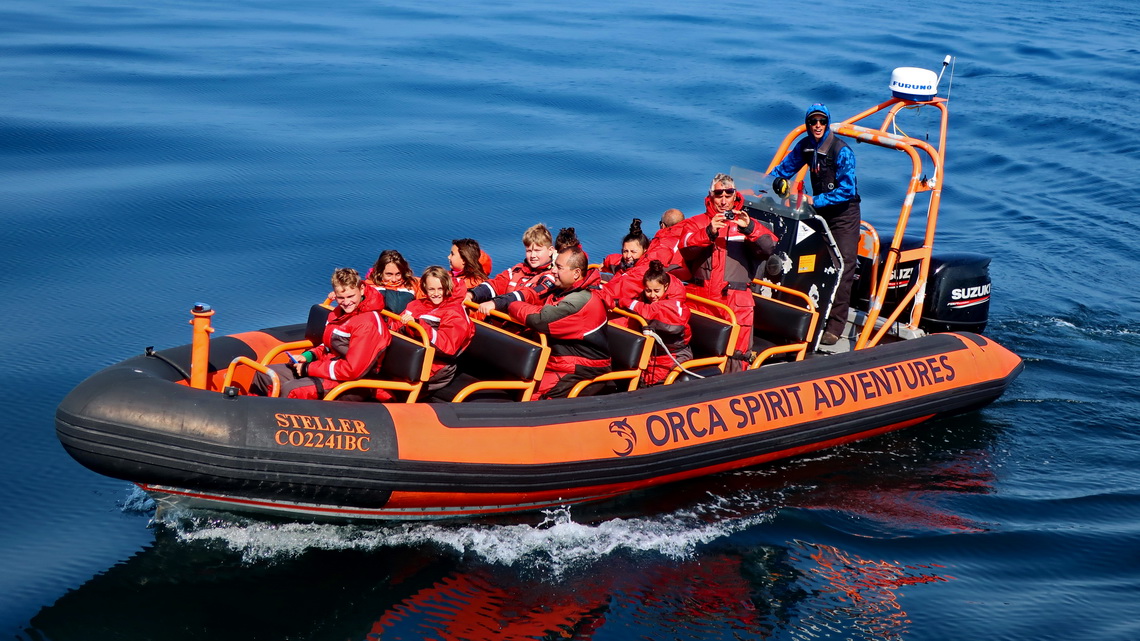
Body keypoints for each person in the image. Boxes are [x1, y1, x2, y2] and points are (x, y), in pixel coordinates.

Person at [770, 103, 861, 345]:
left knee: (843, 265)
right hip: (818, 211)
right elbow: (783, 170)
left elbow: (847, 190)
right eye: (813, 122)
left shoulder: (842, 152)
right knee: (807, 258)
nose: (817, 125)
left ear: (827, 123)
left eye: (821, 121)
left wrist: (815, 200)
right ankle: (807, 313)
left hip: (843, 215)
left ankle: (835, 325)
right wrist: (775, 182)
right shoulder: (805, 145)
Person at [492, 239, 611, 399]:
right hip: (557, 360)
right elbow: (536, 301)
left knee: (531, 395)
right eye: (554, 265)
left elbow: (541, 319)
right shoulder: (563, 290)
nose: (553, 271)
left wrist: (512, 304)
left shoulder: (580, 301)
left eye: (559, 267)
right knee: (504, 375)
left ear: (576, 273)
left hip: (579, 367)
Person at [678, 173, 778, 357]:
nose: (723, 201)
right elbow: (685, 248)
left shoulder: (747, 223)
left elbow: (768, 247)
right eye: (718, 195)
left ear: (735, 195)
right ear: (710, 196)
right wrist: (709, 232)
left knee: (736, 354)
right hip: (701, 301)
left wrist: (749, 229)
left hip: (735, 304)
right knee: (696, 349)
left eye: (728, 194)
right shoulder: (695, 223)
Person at [252, 268, 391, 400]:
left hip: (355, 384)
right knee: (264, 374)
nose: (347, 302)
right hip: (328, 370)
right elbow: (328, 346)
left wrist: (308, 368)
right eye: (341, 298)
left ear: (361, 290)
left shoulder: (367, 323)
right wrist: (307, 356)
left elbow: (353, 370)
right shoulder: (338, 314)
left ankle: (275, 421)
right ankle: (248, 413)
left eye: (350, 296)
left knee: (292, 390)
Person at [392, 265, 475, 394]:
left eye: (440, 289)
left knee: (393, 388)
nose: (436, 293)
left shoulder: (454, 312)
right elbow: (395, 326)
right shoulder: (416, 305)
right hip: (413, 356)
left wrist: (418, 326)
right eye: (431, 289)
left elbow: (448, 346)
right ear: (425, 287)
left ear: (447, 287)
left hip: (438, 365)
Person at [614, 259, 692, 386]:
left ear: (665, 287)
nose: (652, 295)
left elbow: (655, 314)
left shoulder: (677, 306)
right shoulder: (643, 299)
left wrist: (626, 302)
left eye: (657, 291)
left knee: (648, 384)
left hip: (673, 355)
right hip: (650, 353)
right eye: (648, 290)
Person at [469, 223, 557, 312]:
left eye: (537, 250)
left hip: (523, 324)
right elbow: (496, 284)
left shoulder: (552, 276)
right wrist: (472, 294)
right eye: (529, 251)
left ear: (550, 251)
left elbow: (530, 295)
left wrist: (496, 303)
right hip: (502, 319)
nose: (533, 255)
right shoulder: (517, 270)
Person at [365, 249, 422, 313]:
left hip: (407, 321)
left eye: (398, 274)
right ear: (380, 272)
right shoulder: (367, 287)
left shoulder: (416, 284)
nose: (394, 279)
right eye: (389, 274)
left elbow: (426, 305)